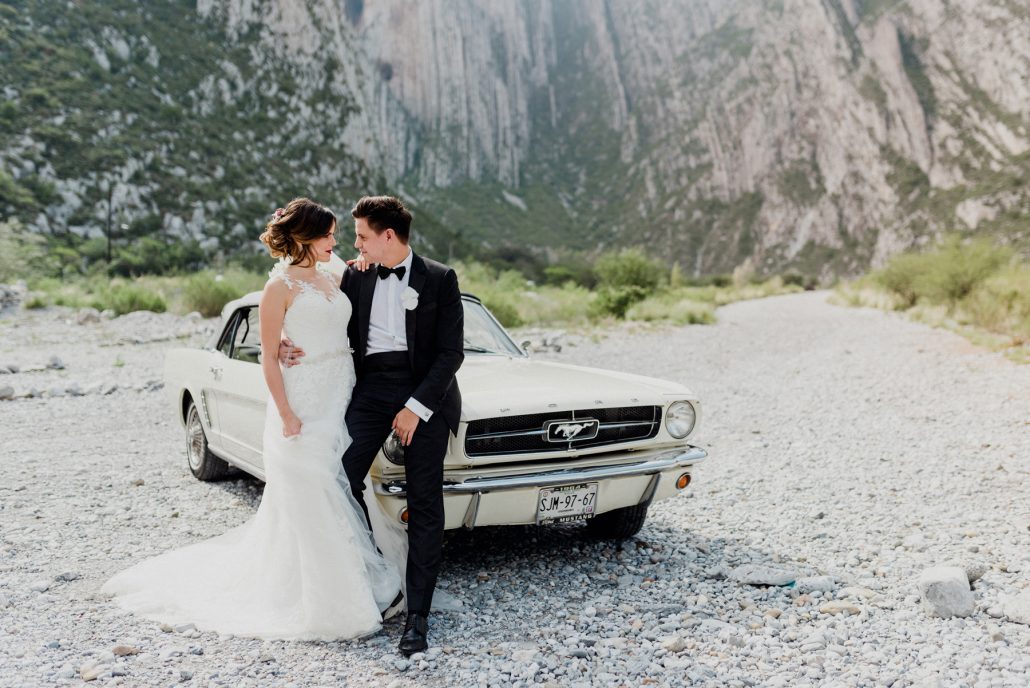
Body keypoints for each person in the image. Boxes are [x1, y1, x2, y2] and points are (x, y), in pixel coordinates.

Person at [102, 198, 402, 640]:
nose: (334, 242)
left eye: (336, 235)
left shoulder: (335, 274)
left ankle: (358, 583)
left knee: (342, 484)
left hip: (343, 391)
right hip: (303, 398)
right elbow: (268, 357)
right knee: (316, 488)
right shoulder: (278, 287)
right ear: (304, 237)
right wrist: (286, 413)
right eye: (327, 235)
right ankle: (330, 599)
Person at [280, 195, 463, 656]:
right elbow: (312, 310)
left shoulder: (440, 278)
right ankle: (381, 576)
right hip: (371, 388)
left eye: (362, 236)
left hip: (426, 392)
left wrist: (415, 407)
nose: (355, 244)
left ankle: (418, 615)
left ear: (388, 236)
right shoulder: (355, 276)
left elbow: (450, 354)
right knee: (339, 476)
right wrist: (283, 341)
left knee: (425, 499)